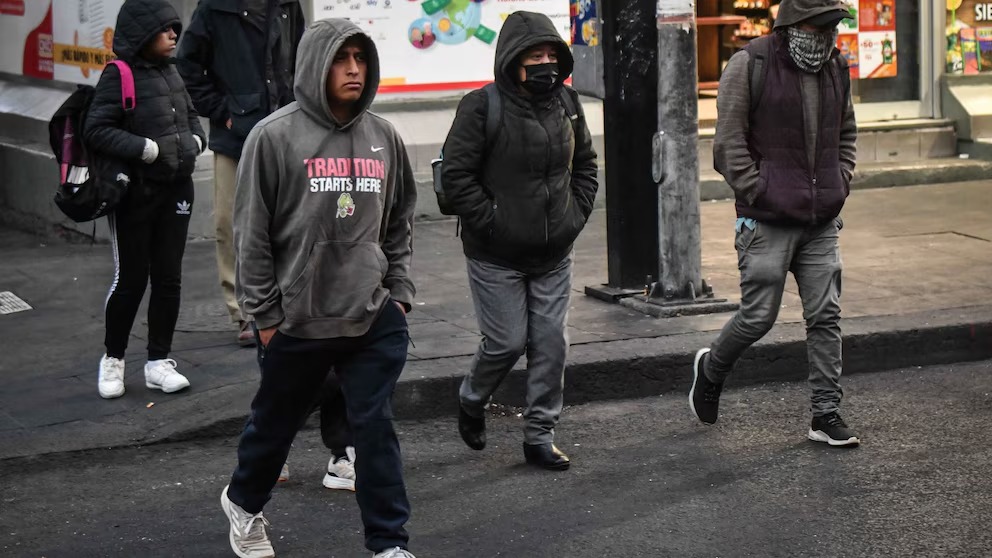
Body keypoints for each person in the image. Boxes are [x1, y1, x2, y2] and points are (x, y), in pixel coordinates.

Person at [219, 19, 417, 558]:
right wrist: (265, 317)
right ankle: (243, 504)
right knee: (274, 429)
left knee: (374, 429)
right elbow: (250, 234)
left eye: (361, 58)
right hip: (297, 319)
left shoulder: (384, 136)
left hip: (370, 315)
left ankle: (388, 544)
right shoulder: (273, 137)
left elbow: (399, 220)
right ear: (314, 65)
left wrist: (398, 292)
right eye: (341, 58)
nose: (354, 69)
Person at [695, 0, 859, 446]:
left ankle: (826, 413)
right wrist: (758, 190)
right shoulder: (750, 63)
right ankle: (711, 368)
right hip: (767, 218)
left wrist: (840, 180)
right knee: (758, 317)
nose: (828, 36)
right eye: (820, 26)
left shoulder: (836, 66)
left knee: (825, 315)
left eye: (833, 27)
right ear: (794, 24)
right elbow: (727, 144)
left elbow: (847, 133)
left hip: (821, 218)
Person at [441, 11, 599, 471]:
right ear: (512, 60)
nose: (546, 63)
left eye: (552, 54)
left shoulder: (568, 102)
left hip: (554, 251)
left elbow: (586, 164)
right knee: (506, 343)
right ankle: (472, 398)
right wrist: (493, 222)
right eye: (535, 55)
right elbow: (456, 177)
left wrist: (574, 215)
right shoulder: (480, 106)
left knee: (551, 345)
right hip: (496, 254)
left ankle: (539, 436)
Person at [86, 0, 206, 399]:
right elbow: (96, 129)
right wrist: (145, 149)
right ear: (143, 34)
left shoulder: (172, 71)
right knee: (131, 278)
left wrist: (197, 140)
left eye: (175, 29)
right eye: (165, 29)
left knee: (168, 277)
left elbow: (190, 116)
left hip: (177, 189)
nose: (173, 35)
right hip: (135, 193)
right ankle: (113, 359)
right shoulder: (118, 74)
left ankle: (158, 362)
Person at [176, 0, 306, 347]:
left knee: (289, 218)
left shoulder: (288, 4)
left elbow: (302, 58)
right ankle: (244, 310)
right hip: (236, 134)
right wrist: (222, 112)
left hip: (285, 129)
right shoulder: (215, 7)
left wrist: (299, 108)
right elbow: (187, 65)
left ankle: (288, 301)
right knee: (232, 221)